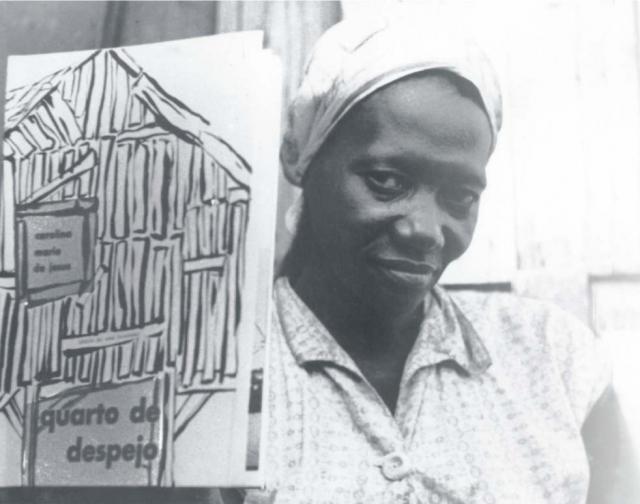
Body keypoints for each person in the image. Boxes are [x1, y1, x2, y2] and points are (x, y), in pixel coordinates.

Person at [233, 14, 634, 504]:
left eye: (459, 197)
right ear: (300, 158)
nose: (425, 229)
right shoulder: (218, 387)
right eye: (386, 181)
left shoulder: (553, 359)